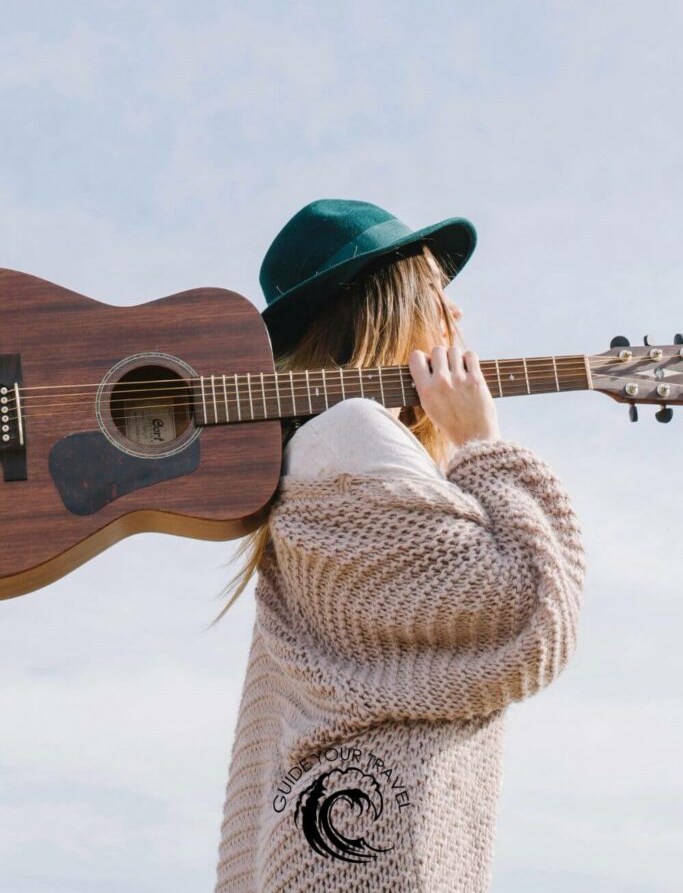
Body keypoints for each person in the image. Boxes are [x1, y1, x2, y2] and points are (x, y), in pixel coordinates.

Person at [211, 199, 586, 893]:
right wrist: (481, 444)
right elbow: (524, 609)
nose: (458, 317)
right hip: (371, 852)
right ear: (390, 302)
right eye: (439, 293)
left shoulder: (311, 453)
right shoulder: (353, 431)